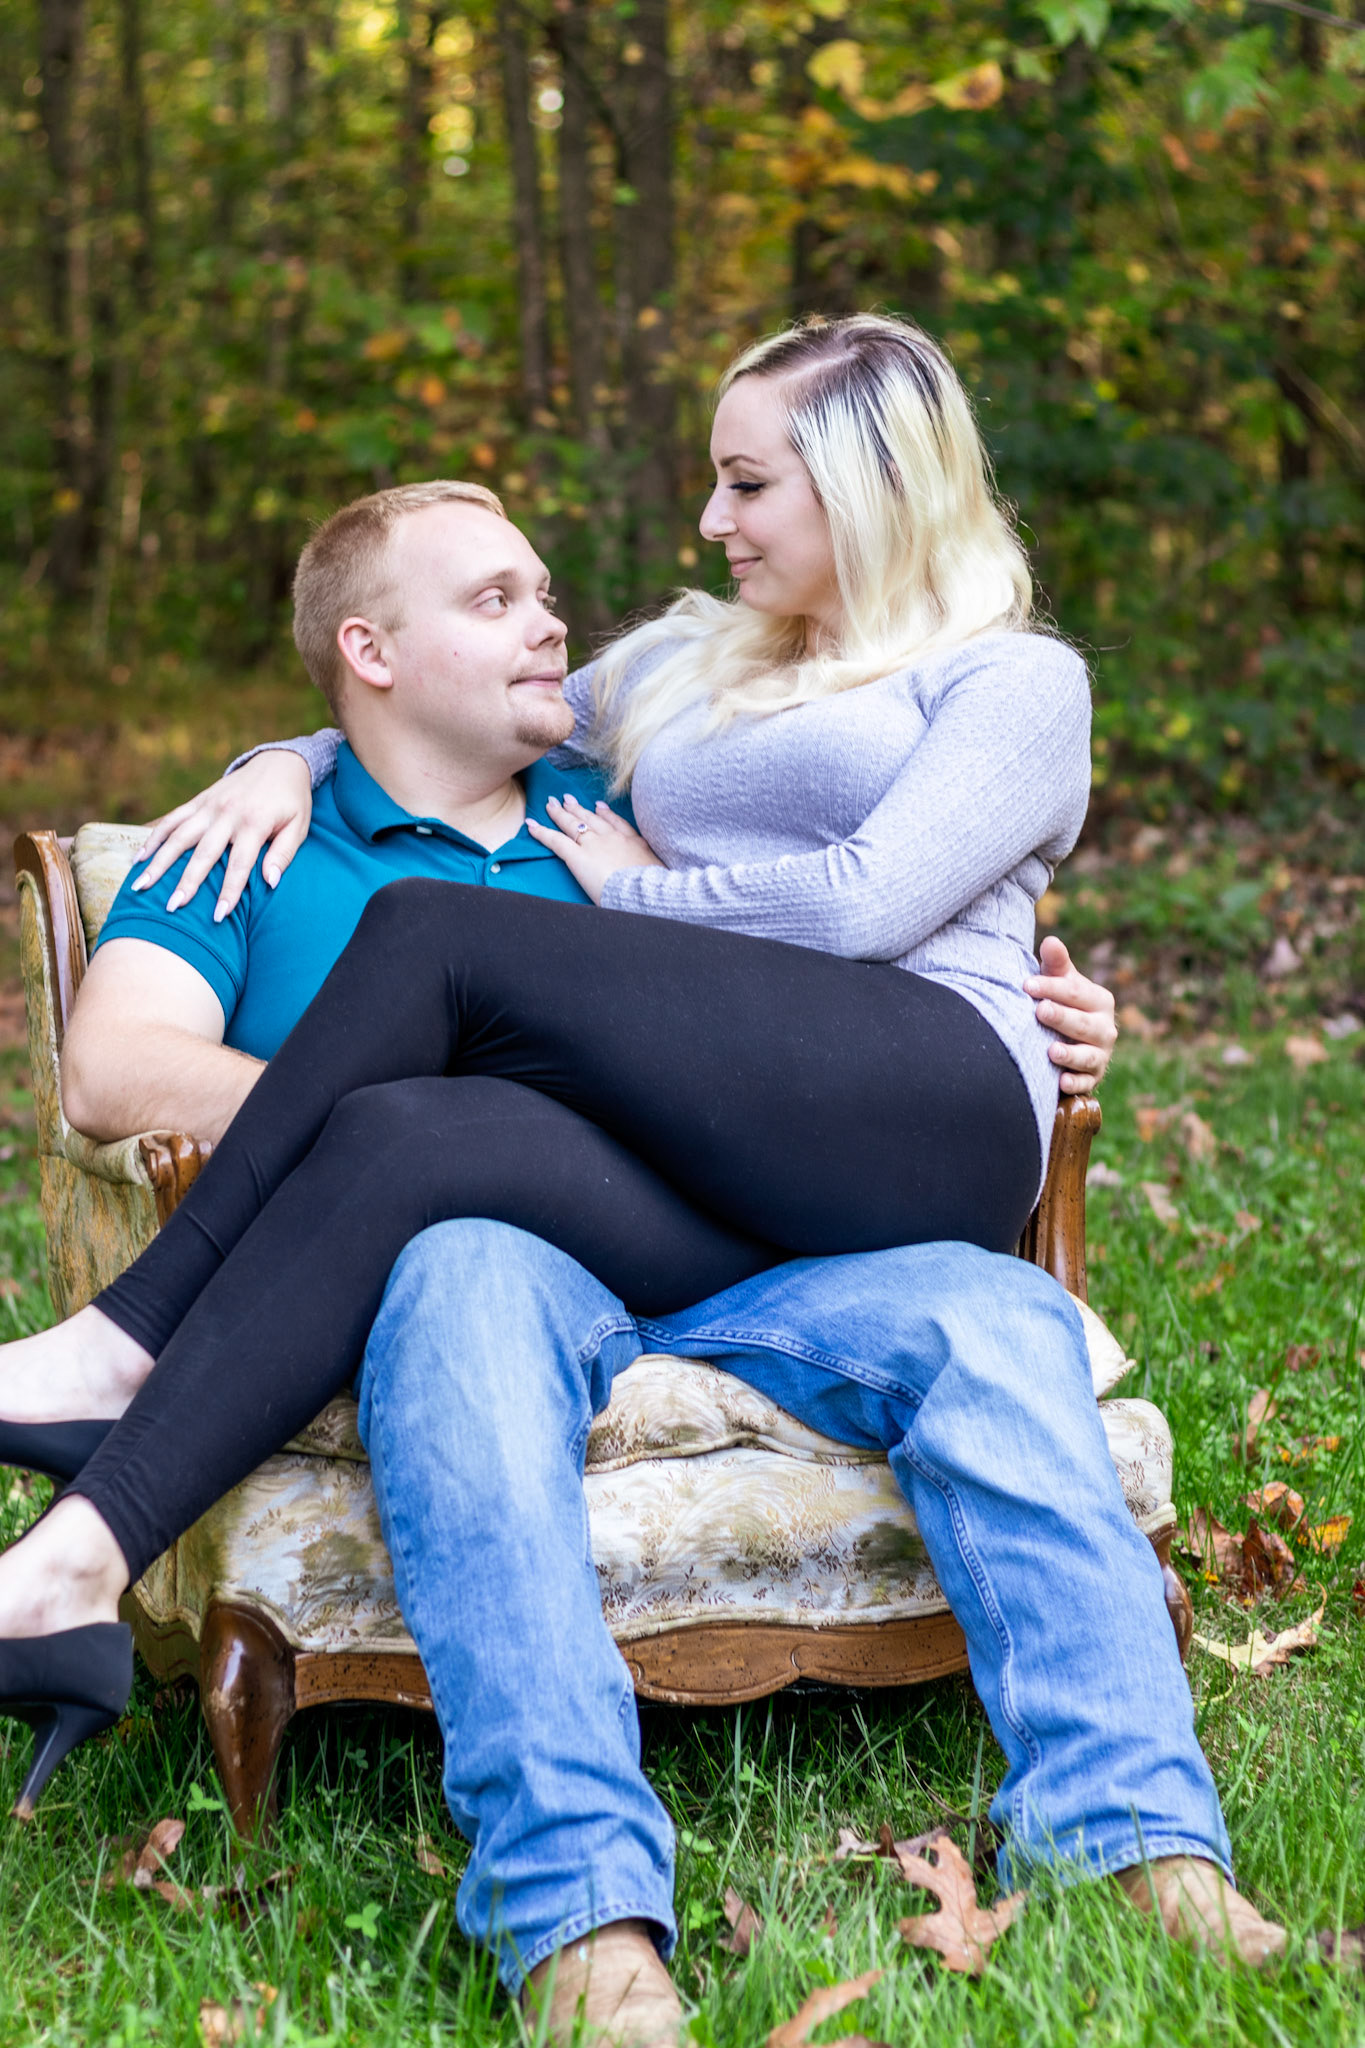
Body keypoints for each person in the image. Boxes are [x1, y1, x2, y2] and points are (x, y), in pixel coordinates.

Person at [0, 315, 1281, 2035]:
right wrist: (279, 761)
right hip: (597, 1204)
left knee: (450, 953)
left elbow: (862, 904)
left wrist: (629, 894)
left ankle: (1142, 1850)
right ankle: (570, 1911)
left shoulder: (1001, 678)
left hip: (877, 1154)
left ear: (866, 483)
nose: (706, 520)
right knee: (410, 1146)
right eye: (712, 481)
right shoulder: (675, 667)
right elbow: (421, 698)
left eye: (746, 482)